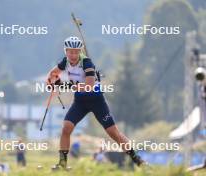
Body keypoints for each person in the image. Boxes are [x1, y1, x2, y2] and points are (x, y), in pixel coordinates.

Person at [46, 36, 146, 169]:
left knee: (113, 133)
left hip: (96, 100)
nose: (73, 55)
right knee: (66, 128)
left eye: (76, 52)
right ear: (66, 52)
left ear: (80, 51)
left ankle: (138, 160)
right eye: (71, 52)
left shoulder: (87, 63)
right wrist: (51, 81)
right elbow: (53, 73)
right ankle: (62, 164)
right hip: (80, 102)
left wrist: (63, 85)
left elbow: (89, 86)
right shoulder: (65, 62)